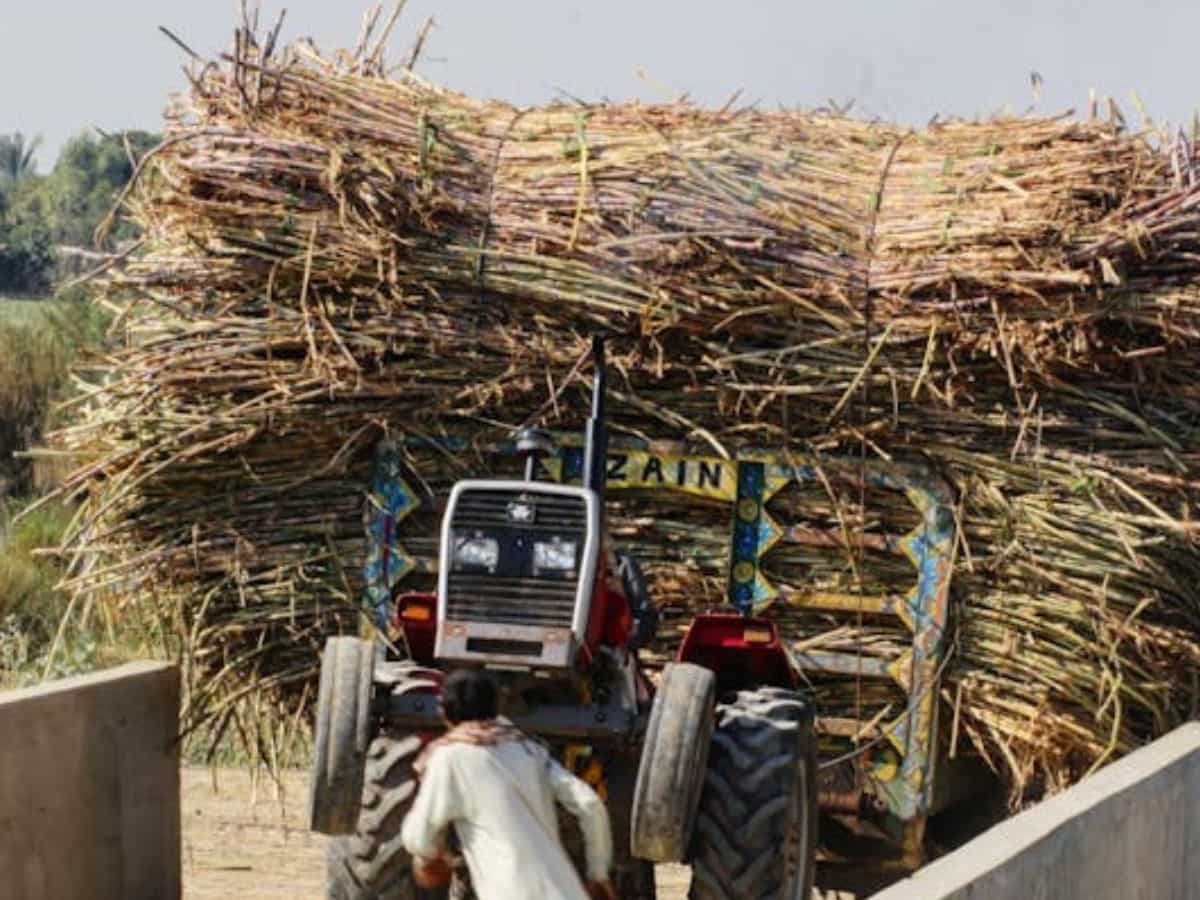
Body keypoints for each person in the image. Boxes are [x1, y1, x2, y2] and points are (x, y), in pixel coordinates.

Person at [400, 668, 617, 900]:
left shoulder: (451, 757)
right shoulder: (529, 750)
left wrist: (433, 858)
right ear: (495, 708)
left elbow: (418, 838)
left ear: (444, 713)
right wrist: (598, 874)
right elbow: (590, 804)